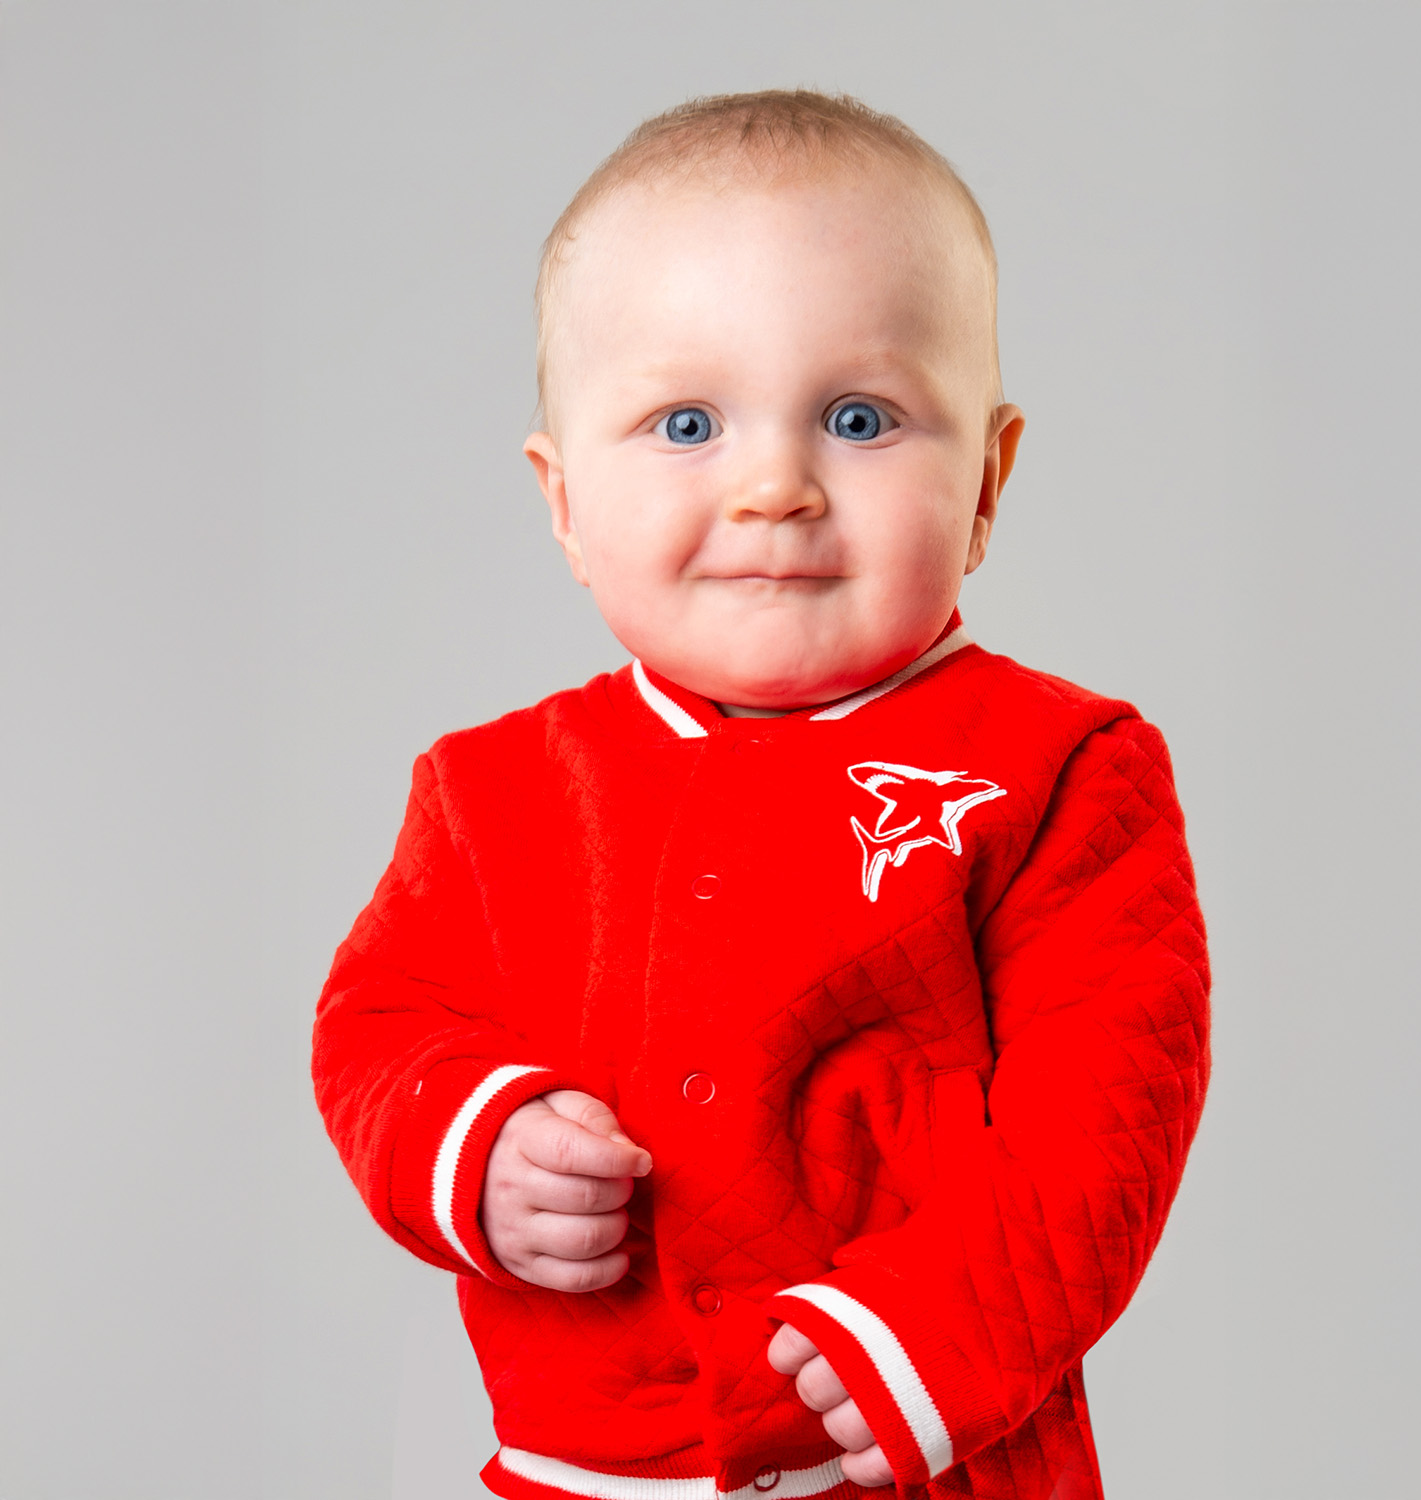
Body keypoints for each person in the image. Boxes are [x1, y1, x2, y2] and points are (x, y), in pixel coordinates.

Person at [312, 88, 1210, 1500]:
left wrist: (925, 1333)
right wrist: (472, 1142)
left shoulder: (1060, 771)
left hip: (922, 1453)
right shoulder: (489, 792)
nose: (775, 486)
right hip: (587, 1466)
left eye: (859, 418)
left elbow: (1101, 1121)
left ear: (987, 481)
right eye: (687, 424)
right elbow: (379, 1026)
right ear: (564, 501)